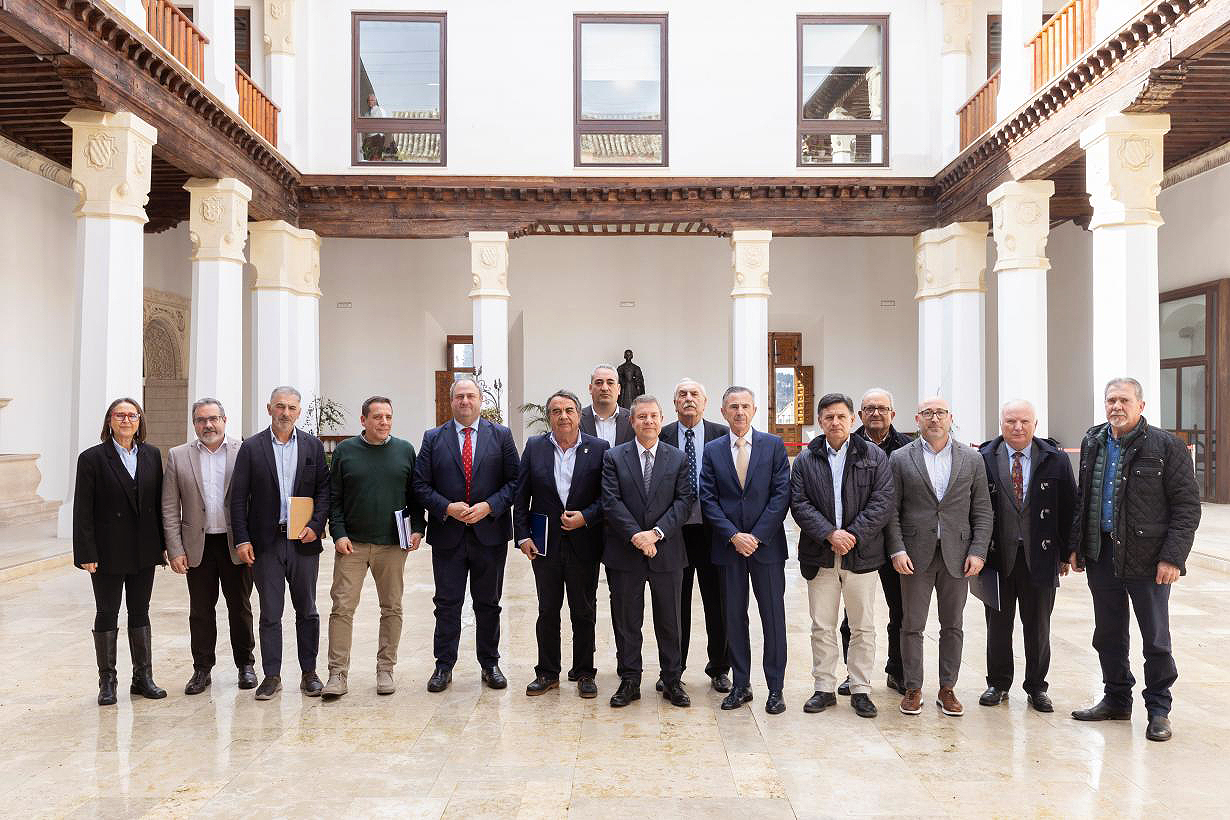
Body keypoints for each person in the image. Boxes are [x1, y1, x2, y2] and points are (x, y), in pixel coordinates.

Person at [1068, 377, 1200, 742]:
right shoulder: (1093, 441)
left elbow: (1187, 507)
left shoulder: (1166, 446)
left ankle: (1159, 710)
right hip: (1101, 554)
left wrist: (1173, 557)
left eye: (1124, 400)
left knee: (1155, 639)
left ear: (1141, 406)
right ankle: (1116, 699)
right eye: (1110, 400)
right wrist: (1077, 543)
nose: (1116, 406)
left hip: (1149, 559)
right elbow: (1085, 498)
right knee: (1107, 634)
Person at [413, 377, 520, 693]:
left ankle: (490, 664)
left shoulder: (501, 436)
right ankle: (443, 667)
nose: (464, 401)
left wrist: (490, 506)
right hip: (449, 536)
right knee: (447, 603)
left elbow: (515, 482)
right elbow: (420, 485)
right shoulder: (433, 438)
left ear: (480, 400)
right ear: (451, 401)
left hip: (490, 534)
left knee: (488, 603)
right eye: (459, 396)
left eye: (470, 396)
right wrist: (447, 508)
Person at [886, 397, 993, 717]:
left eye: (941, 413)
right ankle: (913, 687)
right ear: (917, 419)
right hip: (914, 556)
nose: (935, 419)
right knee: (912, 625)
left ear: (951, 418)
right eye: (928, 414)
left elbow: (983, 510)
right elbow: (891, 510)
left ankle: (947, 688)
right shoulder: (900, 458)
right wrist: (897, 548)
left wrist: (978, 551)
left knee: (953, 625)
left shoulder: (971, 459)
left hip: (957, 556)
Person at [790, 393, 894, 718]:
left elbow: (882, 501)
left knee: (863, 626)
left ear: (853, 419)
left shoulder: (874, 456)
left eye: (841, 416)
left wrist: (852, 535)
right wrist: (829, 534)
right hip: (819, 555)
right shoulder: (806, 460)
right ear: (820, 422)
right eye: (828, 417)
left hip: (860, 555)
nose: (835, 422)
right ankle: (824, 687)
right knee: (822, 625)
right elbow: (799, 503)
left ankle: (861, 688)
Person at [322, 396, 426, 700]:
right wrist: (338, 534)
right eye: (377, 417)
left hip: (392, 545)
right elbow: (334, 498)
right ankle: (337, 673)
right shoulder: (345, 451)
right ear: (363, 420)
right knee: (342, 607)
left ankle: (385, 668)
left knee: (392, 607)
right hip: (352, 545)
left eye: (388, 417)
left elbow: (415, 496)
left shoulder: (405, 450)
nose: (384, 422)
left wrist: (418, 528)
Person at [230, 386, 331, 701]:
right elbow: (237, 498)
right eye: (279, 406)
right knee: (270, 612)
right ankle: (271, 676)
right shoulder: (252, 448)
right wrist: (242, 538)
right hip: (267, 542)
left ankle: (309, 673)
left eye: (291, 407)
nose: (285, 412)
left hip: (303, 541)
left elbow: (325, 492)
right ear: (269, 409)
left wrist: (316, 526)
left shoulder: (313, 446)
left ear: (298, 411)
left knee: (308, 610)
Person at [977, 400, 1077, 713]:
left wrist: (1066, 552)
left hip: (1041, 557)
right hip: (997, 557)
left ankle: (1037, 687)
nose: (1017, 427)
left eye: (1024, 421)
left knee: (1038, 627)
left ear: (1035, 424)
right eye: (1010, 421)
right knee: (997, 625)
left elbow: (1070, 508)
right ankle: (998, 683)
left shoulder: (1055, 459)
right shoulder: (983, 458)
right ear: (1001, 423)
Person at [700, 387, 791, 714]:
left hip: (766, 549)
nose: (739, 412)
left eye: (745, 406)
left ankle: (776, 688)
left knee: (772, 618)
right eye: (733, 407)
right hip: (728, 550)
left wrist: (756, 536)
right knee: (734, 619)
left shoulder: (774, 446)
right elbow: (707, 498)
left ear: (755, 410)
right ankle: (741, 684)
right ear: (723, 412)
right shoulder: (712, 450)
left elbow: (781, 496)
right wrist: (734, 536)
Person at [513, 390, 609, 698]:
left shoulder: (599, 449)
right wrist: (523, 535)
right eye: (556, 411)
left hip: (584, 543)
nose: (563, 416)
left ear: (579, 415)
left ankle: (584, 672)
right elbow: (520, 495)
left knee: (583, 610)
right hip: (545, 544)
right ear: (549, 416)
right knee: (548, 610)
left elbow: (607, 497)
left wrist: (586, 517)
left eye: (569, 410)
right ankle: (547, 672)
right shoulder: (535, 447)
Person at [601, 394, 694, 708]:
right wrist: (637, 537)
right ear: (632, 421)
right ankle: (630, 680)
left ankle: (672, 680)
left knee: (670, 621)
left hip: (667, 551)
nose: (648, 422)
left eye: (654, 416)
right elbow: (611, 502)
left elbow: (684, 502)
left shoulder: (678, 458)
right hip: (624, 552)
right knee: (627, 621)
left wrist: (655, 534)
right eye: (642, 417)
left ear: (662, 419)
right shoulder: (614, 457)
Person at [73, 397, 167, 705]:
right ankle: (108, 681)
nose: (126, 420)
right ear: (109, 421)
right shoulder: (92, 459)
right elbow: (83, 511)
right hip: (108, 551)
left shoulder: (153, 455)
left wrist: (164, 546)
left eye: (132, 415)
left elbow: (159, 506)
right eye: (119, 415)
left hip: (144, 550)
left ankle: (143, 678)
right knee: (107, 612)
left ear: (140, 420)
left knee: (140, 612)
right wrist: (86, 553)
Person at [161, 397, 256, 695]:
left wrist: (252, 540)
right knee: (200, 610)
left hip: (235, 544)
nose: (208, 425)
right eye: (201, 420)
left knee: (239, 607)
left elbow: (255, 500)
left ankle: (246, 664)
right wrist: (174, 548)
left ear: (225, 420)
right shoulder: (178, 456)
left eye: (213, 418)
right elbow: (168, 506)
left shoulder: (244, 451)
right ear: (194, 424)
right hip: (196, 547)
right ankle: (202, 669)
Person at [837, 387, 913, 697]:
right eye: (869, 408)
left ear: (893, 414)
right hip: (860, 542)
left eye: (882, 408)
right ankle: (852, 673)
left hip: (897, 543)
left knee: (902, 611)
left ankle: (897, 670)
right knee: (853, 615)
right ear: (859, 415)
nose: (876, 413)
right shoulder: (846, 446)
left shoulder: (909, 448)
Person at [660, 378, 731, 694]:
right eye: (682, 395)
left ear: (705, 403)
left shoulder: (722, 435)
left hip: (714, 532)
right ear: (674, 404)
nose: (688, 399)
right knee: (675, 604)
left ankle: (719, 667)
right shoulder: (661, 436)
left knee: (717, 602)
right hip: (674, 532)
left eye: (694, 395)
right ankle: (674, 669)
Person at [580, 364, 633, 447]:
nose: (604, 388)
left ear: (619, 389)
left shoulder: (632, 420)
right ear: (590, 388)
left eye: (610, 383)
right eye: (599, 383)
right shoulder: (577, 419)